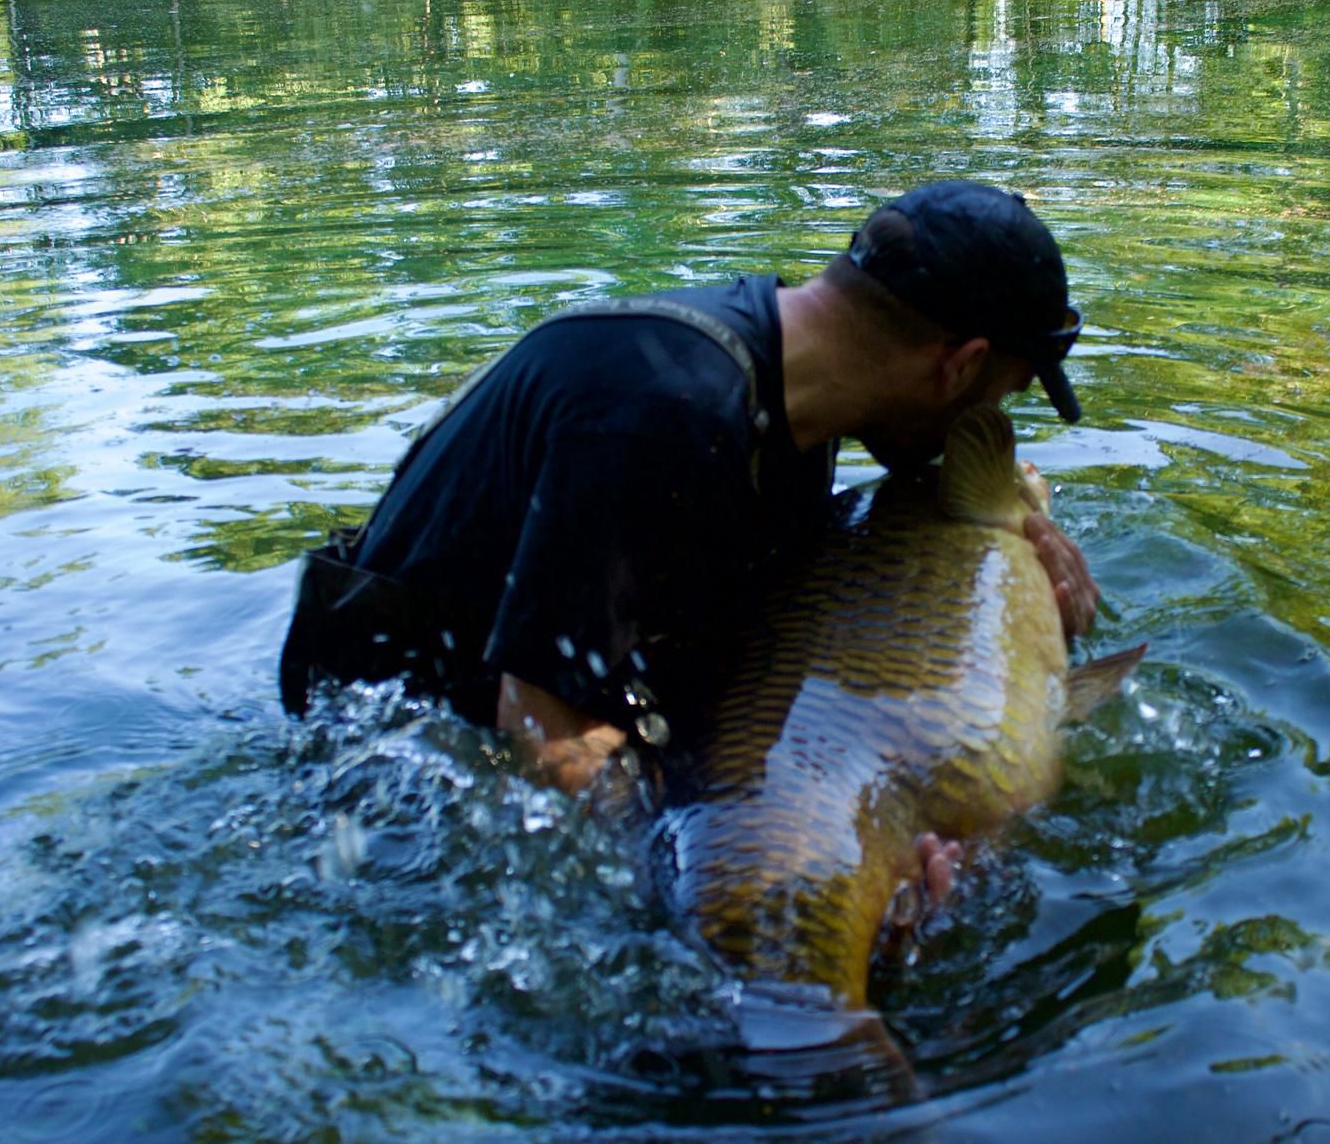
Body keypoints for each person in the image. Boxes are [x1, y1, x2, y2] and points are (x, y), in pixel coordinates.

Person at [279, 179, 1098, 899]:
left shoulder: (789, 398)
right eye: (1004, 395)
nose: (992, 425)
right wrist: (719, 886)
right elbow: (544, 729)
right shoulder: (662, 409)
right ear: (960, 367)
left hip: (518, 694)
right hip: (385, 759)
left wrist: (1012, 612)